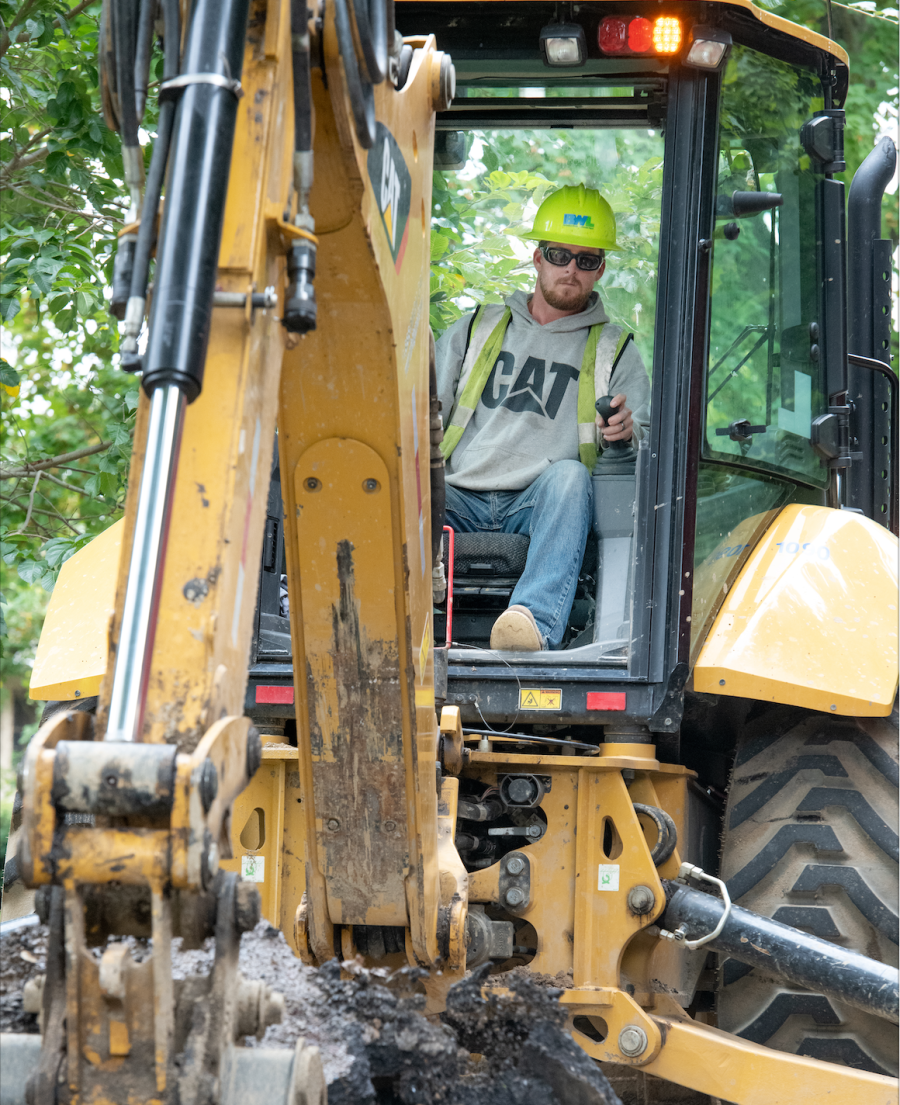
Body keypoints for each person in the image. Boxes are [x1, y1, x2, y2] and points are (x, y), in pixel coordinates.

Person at [435, 183, 650, 652]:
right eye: (559, 254)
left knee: (571, 476)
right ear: (538, 259)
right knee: (406, 478)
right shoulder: (478, 328)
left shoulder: (616, 351)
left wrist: (629, 434)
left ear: (600, 270)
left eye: (586, 260)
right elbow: (417, 414)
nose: (571, 269)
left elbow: (650, 443)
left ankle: (530, 623)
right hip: (459, 497)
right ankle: (389, 612)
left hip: (539, 506)